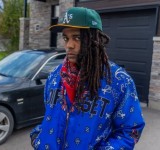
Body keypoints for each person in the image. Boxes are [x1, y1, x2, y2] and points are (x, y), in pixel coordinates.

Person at [30, 7, 145, 150]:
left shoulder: (118, 81)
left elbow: (131, 131)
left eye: (77, 38)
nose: (68, 45)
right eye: (66, 38)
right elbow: (49, 116)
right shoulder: (55, 76)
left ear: (94, 39)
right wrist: (38, 138)